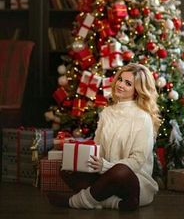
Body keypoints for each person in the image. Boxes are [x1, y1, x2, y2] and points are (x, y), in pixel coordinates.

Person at [48, 63, 161, 211]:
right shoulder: (107, 113)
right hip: (104, 175)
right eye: (120, 79)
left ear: (137, 90)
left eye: (128, 83)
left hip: (132, 179)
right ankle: (115, 203)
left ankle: (74, 202)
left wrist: (106, 166)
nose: (120, 85)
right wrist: (88, 162)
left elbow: (137, 160)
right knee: (66, 170)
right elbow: (98, 148)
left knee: (121, 170)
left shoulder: (143, 118)